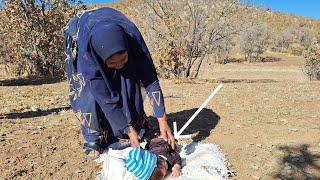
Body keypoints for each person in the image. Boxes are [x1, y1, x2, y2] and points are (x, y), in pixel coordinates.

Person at [64, 7, 175, 159]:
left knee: (129, 80)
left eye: (123, 59)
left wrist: (162, 120)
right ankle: (93, 137)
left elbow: (150, 79)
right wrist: (128, 130)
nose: (119, 65)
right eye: (112, 63)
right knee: (88, 94)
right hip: (80, 36)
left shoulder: (133, 40)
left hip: (113, 32)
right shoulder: (88, 56)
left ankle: (134, 123)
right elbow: (104, 97)